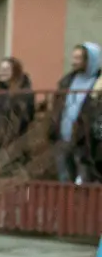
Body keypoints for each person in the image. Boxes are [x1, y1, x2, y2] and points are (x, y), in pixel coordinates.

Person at [49, 43, 101, 184]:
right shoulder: (67, 81)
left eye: (79, 58)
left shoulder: (98, 83)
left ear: (90, 60)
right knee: (65, 181)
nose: (74, 62)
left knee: (85, 182)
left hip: (85, 142)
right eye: (74, 57)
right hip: (63, 139)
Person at [0, 56, 34, 154]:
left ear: (15, 71)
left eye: (6, 69)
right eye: (1, 69)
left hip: (14, 142)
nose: (2, 72)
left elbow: (22, 116)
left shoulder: (24, 92)